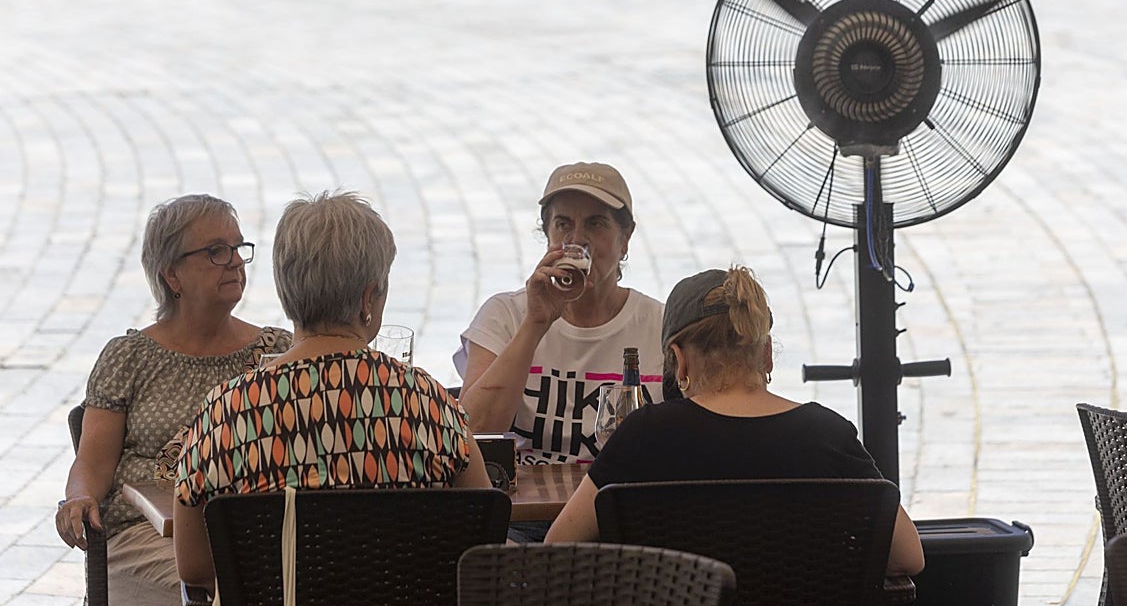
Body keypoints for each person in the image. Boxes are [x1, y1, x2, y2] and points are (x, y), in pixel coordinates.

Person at [174, 191, 490, 593]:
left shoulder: (229, 410)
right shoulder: (428, 403)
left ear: (286, 291)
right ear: (367, 299)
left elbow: (195, 568)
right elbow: (482, 544)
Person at [546, 265, 925, 576]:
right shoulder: (828, 434)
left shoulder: (643, 435)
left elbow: (556, 551)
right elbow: (909, 556)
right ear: (766, 356)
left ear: (679, 361)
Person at [55, 194, 291, 605]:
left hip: (245, 534)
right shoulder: (129, 357)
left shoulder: (275, 352)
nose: (235, 261)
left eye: (238, 248)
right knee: (228, 588)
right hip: (144, 535)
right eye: (216, 251)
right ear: (172, 275)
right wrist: (78, 498)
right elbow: (92, 461)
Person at [455, 161, 664, 465]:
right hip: (523, 508)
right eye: (564, 224)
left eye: (596, 223)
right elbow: (471, 435)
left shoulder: (659, 325)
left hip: (616, 507)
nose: (577, 240)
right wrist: (536, 323)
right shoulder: (505, 315)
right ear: (549, 235)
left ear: (625, 238)